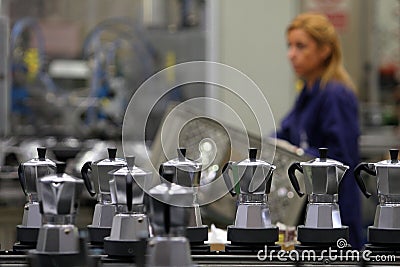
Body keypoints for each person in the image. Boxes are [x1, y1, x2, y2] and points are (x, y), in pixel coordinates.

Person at [275, 12, 362, 249]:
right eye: (290, 46)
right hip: (310, 215)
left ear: (324, 50)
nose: (291, 54)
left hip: (336, 217)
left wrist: (299, 154)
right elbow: (287, 133)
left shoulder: (336, 94)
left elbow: (341, 160)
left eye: (300, 46)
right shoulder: (308, 92)